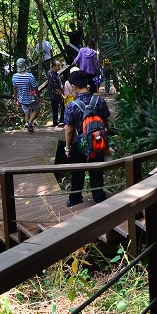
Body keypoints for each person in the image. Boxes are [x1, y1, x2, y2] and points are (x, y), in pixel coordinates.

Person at [63, 69, 111, 207]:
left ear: (73, 86)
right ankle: (98, 196)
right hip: (97, 139)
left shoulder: (71, 106)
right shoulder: (99, 101)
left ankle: (75, 198)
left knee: (78, 170)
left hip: (79, 143)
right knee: (96, 168)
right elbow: (105, 121)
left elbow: (69, 130)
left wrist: (67, 147)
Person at [11, 57, 41, 132]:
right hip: (31, 98)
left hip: (22, 99)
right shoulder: (29, 76)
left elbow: (15, 89)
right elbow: (35, 88)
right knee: (37, 109)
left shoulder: (14, 76)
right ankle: (30, 122)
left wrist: (15, 98)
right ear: (25, 65)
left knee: (26, 113)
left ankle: (28, 129)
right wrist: (38, 97)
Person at [45, 56, 65, 127]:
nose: (60, 67)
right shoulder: (53, 76)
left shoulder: (50, 72)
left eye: (60, 65)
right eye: (58, 66)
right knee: (63, 105)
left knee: (55, 108)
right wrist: (62, 96)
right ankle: (61, 120)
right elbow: (57, 88)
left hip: (52, 94)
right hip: (56, 94)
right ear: (54, 66)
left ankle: (55, 121)